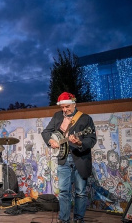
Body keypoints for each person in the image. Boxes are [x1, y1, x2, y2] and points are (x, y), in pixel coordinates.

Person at [41, 92, 96, 223]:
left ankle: (78, 218)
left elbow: (92, 139)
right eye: (63, 107)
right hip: (63, 159)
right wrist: (51, 141)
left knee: (80, 192)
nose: (65, 110)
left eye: (67, 107)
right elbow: (46, 132)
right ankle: (64, 219)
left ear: (74, 104)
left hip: (80, 158)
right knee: (63, 191)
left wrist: (80, 142)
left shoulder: (85, 118)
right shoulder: (57, 116)